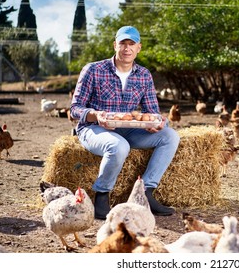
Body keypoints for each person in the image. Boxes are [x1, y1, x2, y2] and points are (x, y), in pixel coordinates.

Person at [70, 26, 180, 219]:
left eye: (131, 44)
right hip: (94, 128)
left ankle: (144, 193)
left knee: (170, 136)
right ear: (115, 45)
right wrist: (96, 115)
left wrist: (157, 121)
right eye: (123, 43)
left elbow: (151, 111)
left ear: (139, 48)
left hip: (129, 129)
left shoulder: (144, 75)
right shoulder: (93, 70)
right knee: (118, 146)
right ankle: (102, 195)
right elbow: (75, 108)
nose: (127, 48)